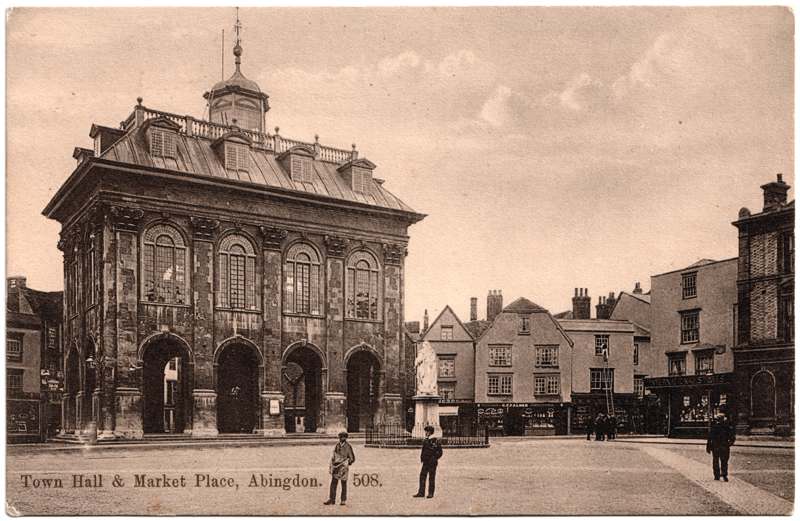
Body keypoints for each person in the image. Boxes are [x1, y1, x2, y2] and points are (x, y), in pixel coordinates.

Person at [324, 432, 355, 506]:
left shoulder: (348, 446)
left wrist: (348, 463)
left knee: (343, 483)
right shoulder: (337, 445)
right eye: (340, 437)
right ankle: (332, 499)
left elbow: (352, 458)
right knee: (333, 483)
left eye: (343, 437)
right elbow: (334, 455)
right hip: (336, 466)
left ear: (346, 438)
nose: (341, 439)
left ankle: (343, 500)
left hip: (343, 468)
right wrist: (333, 463)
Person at [413, 425, 443, 499]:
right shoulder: (426, 440)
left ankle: (430, 493)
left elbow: (440, 452)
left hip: (432, 462)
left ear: (430, 432)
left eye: (427, 431)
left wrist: (434, 458)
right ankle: (421, 492)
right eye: (426, 431)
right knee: (422, 476)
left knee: (431, 477)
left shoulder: (435, 440)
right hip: (425, 462)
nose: (426, 433)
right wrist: (422, 458)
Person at [706, 412, 736, 481]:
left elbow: (710, 437)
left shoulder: (714, 426)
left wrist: (708, 447)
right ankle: (724, 474)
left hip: (716, 446)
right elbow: (732, 437)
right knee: (724, 461)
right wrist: (729, 444)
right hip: (724, 446)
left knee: (716, 461)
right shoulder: (727, 427)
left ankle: (717, 475)